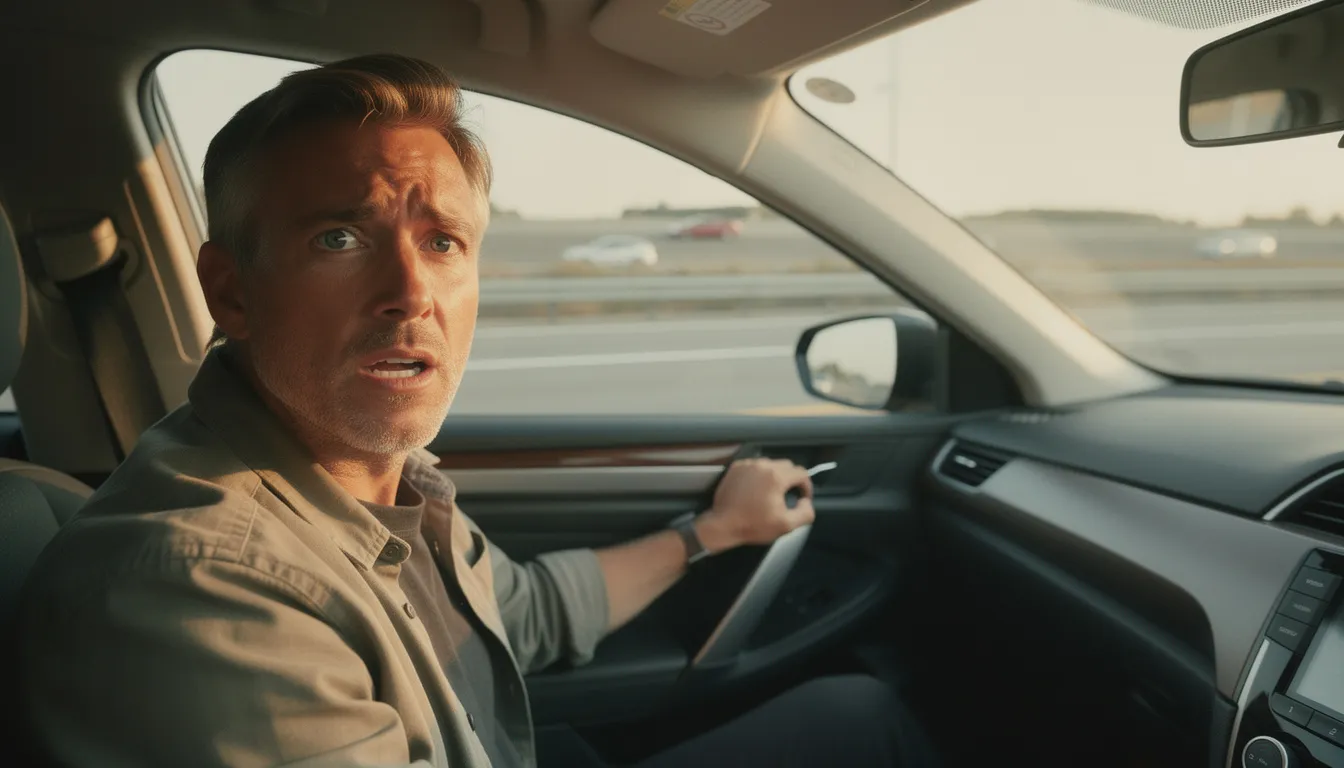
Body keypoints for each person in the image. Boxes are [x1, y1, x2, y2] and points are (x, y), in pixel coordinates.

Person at [15, 54, 935, 767]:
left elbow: (520, 615)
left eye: (443, 240)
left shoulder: (372, 480)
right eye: (341, 236)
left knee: (855, 711)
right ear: (233, 293)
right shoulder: (198, 592)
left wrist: (712, 534)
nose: (410, 290)